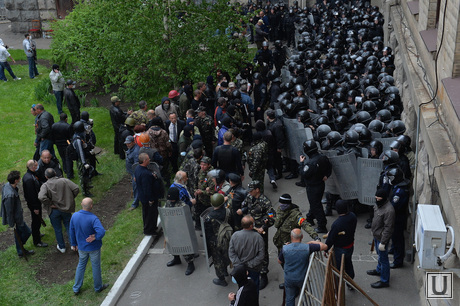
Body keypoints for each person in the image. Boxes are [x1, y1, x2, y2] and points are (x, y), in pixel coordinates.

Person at [239, 180, 276, 290]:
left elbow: (272, 216)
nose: (249, 192)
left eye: (251, 190)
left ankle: (263, 274)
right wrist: (243, 210)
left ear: (257, 190)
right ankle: (251, 268)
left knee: (262, 251)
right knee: (250, 248)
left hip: (260, 230)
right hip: (249, 228)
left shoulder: (265, 201)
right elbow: (245, 204)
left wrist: (263, 227)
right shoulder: (249, 197)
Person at [278, 229, 327, 306]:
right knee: (306, 297)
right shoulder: (307, 247)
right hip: (303, 278)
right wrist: (311, 242)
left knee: (290, 299)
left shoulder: (285, 248)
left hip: (289, 278)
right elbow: (324, 246)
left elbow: (279, 261)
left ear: (291, 237)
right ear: (302, 237)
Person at [70, 197, 109, 295]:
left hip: (82, 248)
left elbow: (72, 231)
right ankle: (98, 287)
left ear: (81, 204)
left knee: (81, 266)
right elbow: (101, 231)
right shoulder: (93, 218)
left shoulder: (74, 216)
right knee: (95, 267)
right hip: (94, 248)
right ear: (91, 206)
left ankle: (76, 288)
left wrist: (74, 244)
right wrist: (95, 237)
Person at [38, 168, 79, 252]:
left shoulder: (45, 186)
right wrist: (69, 199)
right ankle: (73, 245)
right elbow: (76, 189)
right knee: (69, 226)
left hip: (54, 211)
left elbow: (41, 197)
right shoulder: (64, 181)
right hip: (66, 209)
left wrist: (50, 203)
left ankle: (62, 247)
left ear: (46, 176)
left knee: (57, 229)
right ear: (55, 173)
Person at [299, 140, 332, 233]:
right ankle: (310, 217)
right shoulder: (323, 157)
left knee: (316, 205)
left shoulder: (310, 163)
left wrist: (301, 163)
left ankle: (322, 225)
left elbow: (303, 173)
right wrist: (327, 175)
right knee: (315, 203)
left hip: (312, 186)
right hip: (320, 184)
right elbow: (329, 167)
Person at [1, 171, 35, 258]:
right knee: (27, 232)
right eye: (19, 178)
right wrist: (11, 223)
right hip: (17, 219)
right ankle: (20, 247)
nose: (20, 179)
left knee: (19, 234)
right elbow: (9, 210)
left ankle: (20, 250)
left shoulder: (9, 186)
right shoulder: (10, 195)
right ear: (16, 180)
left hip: (18, 216)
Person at [228, 215, 265, 295]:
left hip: (240, 270)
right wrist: (249, 265)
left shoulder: (235, 236)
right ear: (251, 226)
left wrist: (240, 266)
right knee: (254, 289)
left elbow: (231, 252)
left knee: (242, 289)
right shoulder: (258, 237)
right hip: (254, 269)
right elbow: (261, 255)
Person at [366, 189, 395, 289]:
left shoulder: (389, 210)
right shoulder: (379, 205)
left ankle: (384, 280)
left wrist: (383, 242)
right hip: (377, 236)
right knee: (380, 256)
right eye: (376, 198)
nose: (377, 200)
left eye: (379, 199)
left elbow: (388, 228)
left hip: (382, 238)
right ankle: (379, 270)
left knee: (383, 259)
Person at [164, 187, 196, 275]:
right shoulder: (168, 203)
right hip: (172, 228)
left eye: (172, 198)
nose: (171, 200)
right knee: (173, 245)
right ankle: (176, 258)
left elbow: (187, 219)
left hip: (182, 230)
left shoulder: (183, 206)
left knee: (185, 246)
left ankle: (190, 263)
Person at [325, 200, 357, 281]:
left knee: (339, 266)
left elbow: (331, 239)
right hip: (350, 245)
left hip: (340, 249)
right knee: (348, 263)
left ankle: (339, 282)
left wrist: (326, 249)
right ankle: (350, 280)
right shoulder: (353, 216)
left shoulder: (337, 224)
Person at [204, 193, 232, 286]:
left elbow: (207, 232)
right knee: (226, 254)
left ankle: (221, 279)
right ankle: (225, 270)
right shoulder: (227, 211)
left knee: (217, 260)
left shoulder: (209, 217)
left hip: (215, 241)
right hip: (227, 237)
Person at [134, 153, 163, 235]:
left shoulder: (138, 169)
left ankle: (151, 228)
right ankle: (150, 230)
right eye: (148, 159)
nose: (149, 160)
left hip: (143, 197)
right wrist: (151, 199)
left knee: (146, 214)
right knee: (151, 214)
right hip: (148, 198)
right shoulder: (145, 174)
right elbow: (147, 188)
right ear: (144, 161)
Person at [22, 160, 47, 248]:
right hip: (34, 204)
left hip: (34, 203)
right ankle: (37, 241)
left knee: (37, 220)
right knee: (36, 221)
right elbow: (32, 195)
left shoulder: (30, 175)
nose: (37, 167)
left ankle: (37, 234)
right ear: (32, 167)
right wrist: (35, 207)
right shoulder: (29, 179)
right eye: (36, 166)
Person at [72, 121, 94, 197]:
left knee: (86, 174)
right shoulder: (77, 140)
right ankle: (85, 192)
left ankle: (87, 186)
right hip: (81, 160)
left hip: (84, 158)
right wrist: (84, 163)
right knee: (83, 175)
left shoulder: (79, 136)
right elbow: (80, 152)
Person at [52, 113, 74, 179]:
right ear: (66, 119)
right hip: (66, 144)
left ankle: (65, 170)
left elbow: (52, 136)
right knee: (68, 158)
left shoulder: (54, 126)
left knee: (63, 158)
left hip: (58, 144)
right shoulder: (68, 126)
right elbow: (71, 137)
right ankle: (70, 174)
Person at [125, 136, 140, 211]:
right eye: (126, 143)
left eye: (129, 143)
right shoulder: (131, 148)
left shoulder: (136, 151)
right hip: (132, 172)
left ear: (133, 142)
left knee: (136, 187)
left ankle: (135, 203)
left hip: (135, 173)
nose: (127, 145)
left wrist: (135, 175)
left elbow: (136, 165)